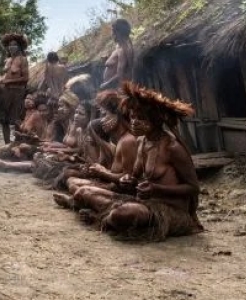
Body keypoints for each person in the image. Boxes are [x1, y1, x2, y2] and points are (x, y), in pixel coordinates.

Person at [71, 82, 203, 241]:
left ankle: (103, 219)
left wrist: (156, 189)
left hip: (171, 211)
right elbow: (134, 179)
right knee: (83, 192)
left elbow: (193, 188)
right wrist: (128, 180)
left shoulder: (172, 148)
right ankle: (108, 218)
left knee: (125, 213)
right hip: (143, 203)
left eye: (141, 118)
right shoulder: (142, 143)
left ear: (155, 120)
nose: (134, 122)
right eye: (132, 117)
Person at [53, 89, 138, 207]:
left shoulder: (127, 141)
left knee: (81, 190)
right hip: (111, 184)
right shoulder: (120, 140)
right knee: (72, 182)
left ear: (118, 116)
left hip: (120, 191)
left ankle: (79, 204)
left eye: (106, 115)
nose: (102, 120)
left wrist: (102, 172)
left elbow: (127, 182)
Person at [0, 33, 30, 144]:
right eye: (10, 45)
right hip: (5, 92)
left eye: (14, 44)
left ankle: (19, 143)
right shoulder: (8, 61)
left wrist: (8, 81)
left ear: (19, 46)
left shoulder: (23, 60)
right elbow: (6, 77)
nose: (12, 47)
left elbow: (26, 78)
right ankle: (7, 144)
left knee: (16, 120)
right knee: (4, 121)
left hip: (17, 92)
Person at [100, 19, 134, 90]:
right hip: (112, 88)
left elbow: (120, 75)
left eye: (112, 31)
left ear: (118, 32)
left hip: (117, 90)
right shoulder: (119, 46)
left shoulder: (124, 50)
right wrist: (107, 60)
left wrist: (105, 85)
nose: (111, 34)